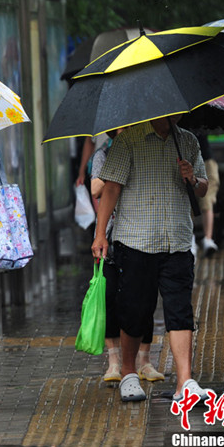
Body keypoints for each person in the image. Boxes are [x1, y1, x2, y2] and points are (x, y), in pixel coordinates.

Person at [91, 115, 209, 403]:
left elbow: (203, 187)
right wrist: (100, 234)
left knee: (180, 310)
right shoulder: (128, 139)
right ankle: (129, 374)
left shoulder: (188, 141)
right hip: (136, 241)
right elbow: (111, 188)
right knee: (135, 310)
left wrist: (192, 177)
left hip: (177, 241)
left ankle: (185, 382)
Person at [89, 128, 164, 383]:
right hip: (110, 234)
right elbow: (96, 189)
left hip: (142, 234)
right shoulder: (104, 153)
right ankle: (113, 361)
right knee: (110, 296)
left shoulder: (146, 148)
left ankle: (144, 359)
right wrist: (117, 167)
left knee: (145, 296)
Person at [196, 133, 220, 257]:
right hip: (186, 162)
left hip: (206, 160)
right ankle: (191, 240)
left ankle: (208, 239)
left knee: (207, 200)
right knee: (184, 201)